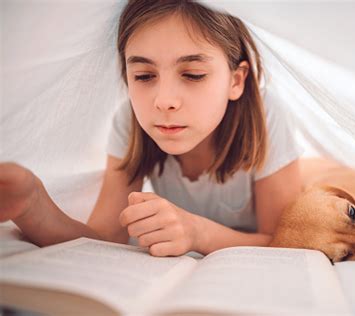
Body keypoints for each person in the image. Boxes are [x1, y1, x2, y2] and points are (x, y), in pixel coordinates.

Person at [0, 0, 302, 257]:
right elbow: (104, 239)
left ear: (236, 80)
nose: (164, 101)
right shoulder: (129, 122)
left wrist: (197, 232)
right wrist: (32, 203)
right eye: (144, 76)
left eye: (193, 75)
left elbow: (286, 243)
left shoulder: (268, 116)